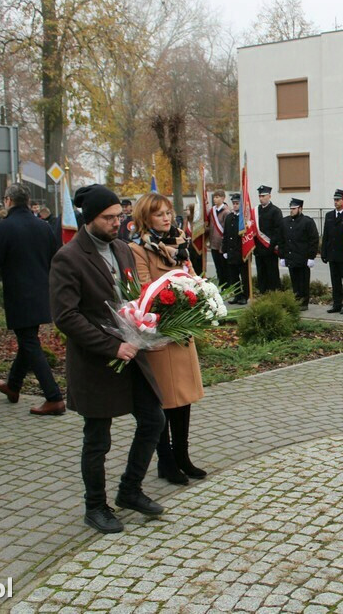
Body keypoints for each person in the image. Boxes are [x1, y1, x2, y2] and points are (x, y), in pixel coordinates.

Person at [49, 184, 165, 534]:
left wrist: (150, 327)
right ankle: (95, 506)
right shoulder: (68, 258)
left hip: (133, 355)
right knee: (97, 438)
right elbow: (66, 316)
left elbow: (133, 297)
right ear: (90, 219)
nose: (118, 223)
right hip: (97, 362)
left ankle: (130, 490)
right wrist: (111, 346)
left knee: (153, 420)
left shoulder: (122, 249)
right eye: (109, 218)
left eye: (120, 216)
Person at [128, 193, 207, 486]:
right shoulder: (137, 248)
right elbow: (144, 289)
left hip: (182, 330)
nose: (166, 218)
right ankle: (166, 461)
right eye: (159, 214)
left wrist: (198, 293)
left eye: (168, 213)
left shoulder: (181, 244)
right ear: (145, 218)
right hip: (159, 334)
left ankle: (182, 456)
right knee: (164, 400)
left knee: (183, 398)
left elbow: (193, 277)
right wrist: (177, 292)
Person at [0, 183, 65, 415]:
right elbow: (54, 257)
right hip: (41, 291)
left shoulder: (4, 227)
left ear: (7, 201)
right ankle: (13, 386)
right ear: (27, 201)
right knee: (28, 340)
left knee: (29, 343)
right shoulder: (43, 226)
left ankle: (54, 397)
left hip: (19, 294)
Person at [279, 198, 319, 310]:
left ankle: (304, 303)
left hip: (303, 258)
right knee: (295, 282)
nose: (291, 211)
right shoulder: (285, 221)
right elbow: (281, 239)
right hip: (291, 258)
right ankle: (296, 301)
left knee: (303, 282)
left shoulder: (307, 222)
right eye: (290, 208)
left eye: (294, 209)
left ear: (300, 209)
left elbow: (313, 240)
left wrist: (311, 257)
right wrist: (282, 256)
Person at [320, 188, 343, 314]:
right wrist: (324, 252)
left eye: (338, 200)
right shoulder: (329, 215)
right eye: (334, 200)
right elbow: (326, 236)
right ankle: (337, 303)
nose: (335, 202)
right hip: (332, 254)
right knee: (335, 281)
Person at [253, 185, 283, 293]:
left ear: (269, 196)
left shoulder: (275, 211)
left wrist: (271, 247)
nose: (261, 198)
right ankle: (263, 294)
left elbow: (278, 231)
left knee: (272, 275)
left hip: (270, 249)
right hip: (259, 249)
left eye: (263, 196)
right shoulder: (256, 211)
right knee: (261, 275)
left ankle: (274, 296)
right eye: (259, 196)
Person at [221, 193, 249, 304]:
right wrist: (225, 250)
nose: (235, 205)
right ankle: (237, 295)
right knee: (233, 276)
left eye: (237, 203)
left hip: (242, 252)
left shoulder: (244, 219)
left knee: (244, 276)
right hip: (231, 252)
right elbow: (226, 235)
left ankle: (245, 296)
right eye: (234, 203)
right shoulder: (229, 217)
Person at [207, 189, 229, 284]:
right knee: (218, 267)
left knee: (224, 267)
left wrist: (224, 245)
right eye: (214, 197)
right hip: (213, 243)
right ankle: (221, 283)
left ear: (223, 198)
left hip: (222, 243)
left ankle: (226, 285)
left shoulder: (226, 212)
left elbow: (226, 229)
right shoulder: (212, 210)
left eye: (217, 197)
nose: (215, 199)